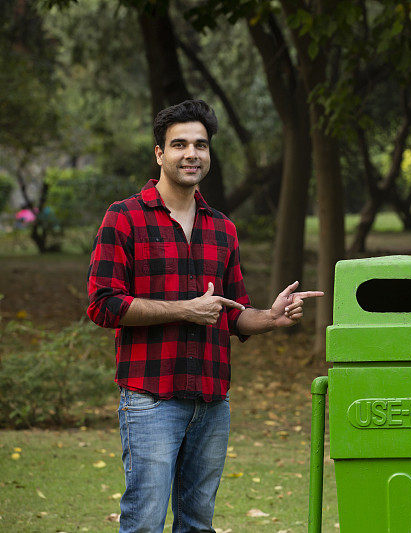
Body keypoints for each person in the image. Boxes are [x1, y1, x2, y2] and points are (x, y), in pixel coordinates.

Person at [87, 99, 323, 533]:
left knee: (197, 524)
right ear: (159, 153)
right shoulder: (123, 219)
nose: (191, 153)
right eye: (179, 145)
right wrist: (185, 310)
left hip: (213, 404)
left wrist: (270, 318)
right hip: (150, 400)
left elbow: (233, 315)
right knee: (143, 522)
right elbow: (103, 305)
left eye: (200, 145)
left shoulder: (222, 228)